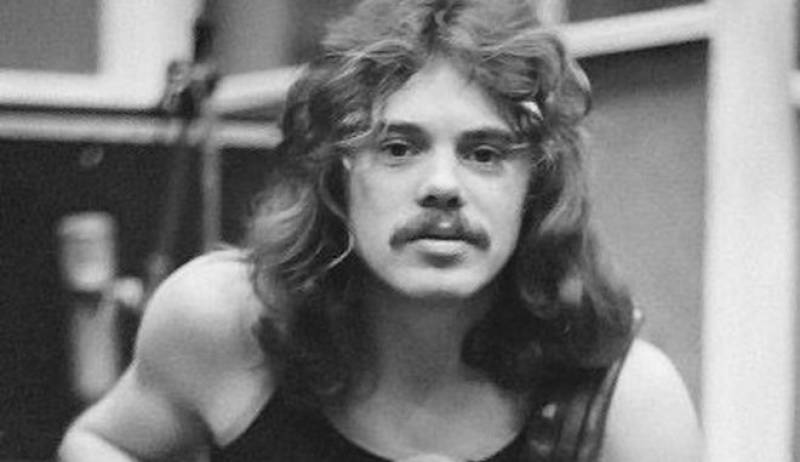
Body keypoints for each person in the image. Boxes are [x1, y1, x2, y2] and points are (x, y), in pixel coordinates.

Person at [58, 0, 702, 461]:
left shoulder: (625, 403)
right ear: (339, 173)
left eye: (484, 153)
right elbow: (102, 443)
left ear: (535, 186)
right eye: (398, 148)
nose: (442, 185)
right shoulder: (223, 322)